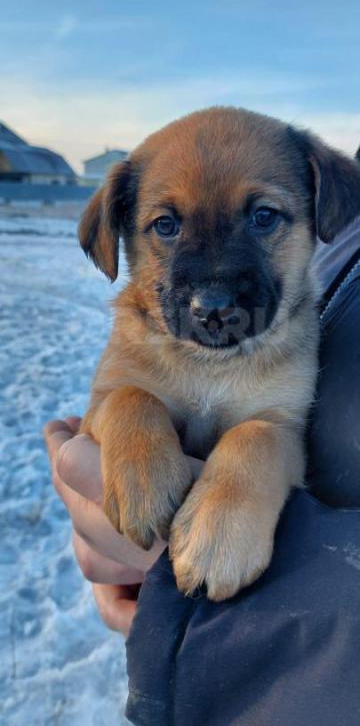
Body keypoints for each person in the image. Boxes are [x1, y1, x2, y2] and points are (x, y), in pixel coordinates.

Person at [44, 215, 360, 726]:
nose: (213, 290)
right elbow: (104, 413)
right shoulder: (344, 220)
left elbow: (280, 427)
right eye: (166, 225)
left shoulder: (327, 198)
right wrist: (124, 422)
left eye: (261, 219)